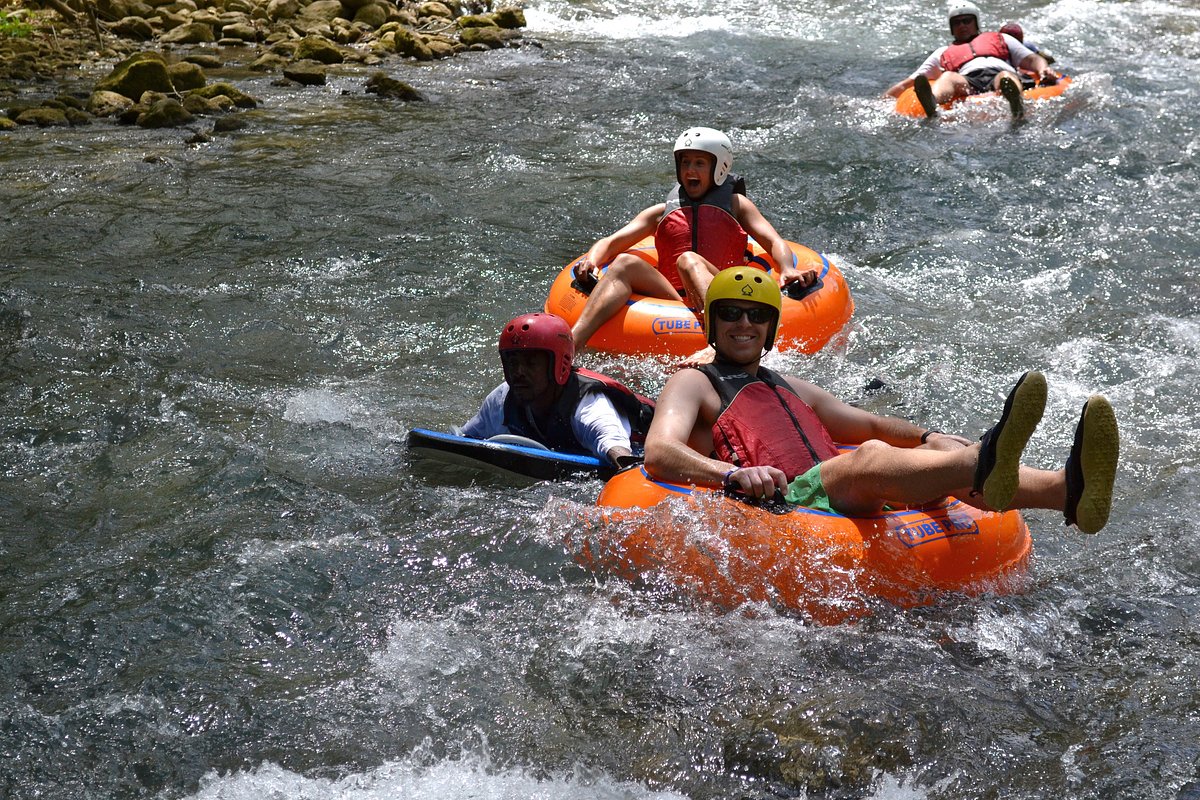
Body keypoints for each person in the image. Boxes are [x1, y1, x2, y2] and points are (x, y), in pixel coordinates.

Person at [643, 268, 1120, 534]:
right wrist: (732, 474)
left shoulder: (786, 383)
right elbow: (660, 453)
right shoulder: (693, 383)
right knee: (870, 461)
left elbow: (867, 423)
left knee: (927, 456)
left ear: (769, 329)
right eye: (730, 313)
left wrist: (930, 436)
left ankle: (1066, 490)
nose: (742, 323)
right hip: (787, 502)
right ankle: (983, 459)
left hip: (837, 493)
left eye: (755, 315)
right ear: (712, 322)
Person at [568, 126, 817, 361]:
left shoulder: (736, 205)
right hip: (672, 298)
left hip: (725, 293)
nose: (690, 171)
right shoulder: (659, 213)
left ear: (719, 167)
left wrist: (786, 268)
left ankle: (718, 344)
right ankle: (568, 347)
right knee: (624, 263)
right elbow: (611, 243)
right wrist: (591, 262)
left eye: (699, 163)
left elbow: (774, 241)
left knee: (688, 259)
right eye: (685, 163)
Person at [460, 312, 654, 469]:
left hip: (643, 443)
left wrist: (627, 468)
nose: (518, 372)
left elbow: (614, 446)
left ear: (559, 365)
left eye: (530, 363)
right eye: (512, 363)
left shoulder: (589, 403)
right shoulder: (500, 400)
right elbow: (464, 439)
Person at [885, 3, 1058, 119]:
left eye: (967, 21)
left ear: (976, 23)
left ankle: (1016, 101)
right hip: (968, 80)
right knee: (948, 77)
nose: (962, 25)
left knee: (1005, 77)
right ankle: (932, 101)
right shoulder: (942, 52)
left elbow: (1032, 59)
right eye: (957, 23)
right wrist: (881, 101)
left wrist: (1043, 70)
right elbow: (908, 84)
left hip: (998, 73)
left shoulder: (1001, 38)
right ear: (952, 28)